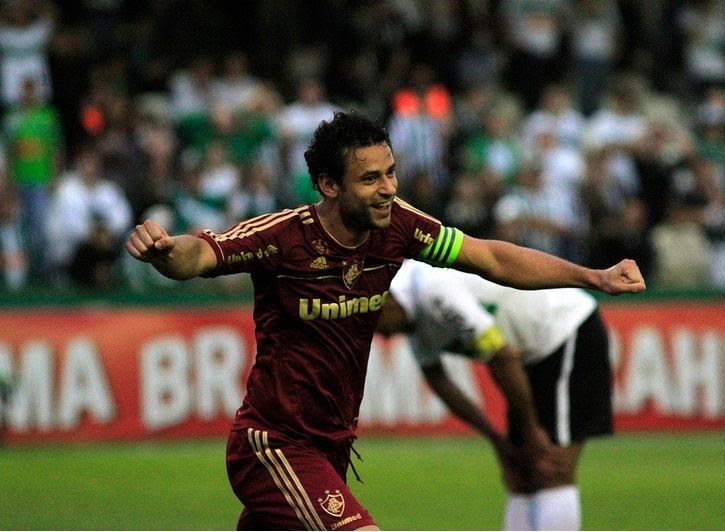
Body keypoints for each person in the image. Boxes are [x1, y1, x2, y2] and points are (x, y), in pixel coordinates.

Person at [126, 110, 645, 530]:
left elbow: (492, 259)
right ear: (328, 184)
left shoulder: (399, 227)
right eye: (369, 178)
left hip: (332, 444)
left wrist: (591, 276)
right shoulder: (283, 237)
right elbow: (199, 256)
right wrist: (164, 251)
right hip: (275, 444)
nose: (387, 188)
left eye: (390, 172)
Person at [377, 259, 613, 530]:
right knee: (521, 473)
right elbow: (438, 379)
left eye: (379, 325)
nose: (383, 336)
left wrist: (531, 429)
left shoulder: (433, 290)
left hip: (566, 328)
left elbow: (500, 356)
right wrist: (498, 440)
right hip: (530, 355)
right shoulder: (410, 313)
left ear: (389, 302)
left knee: (552, 468)